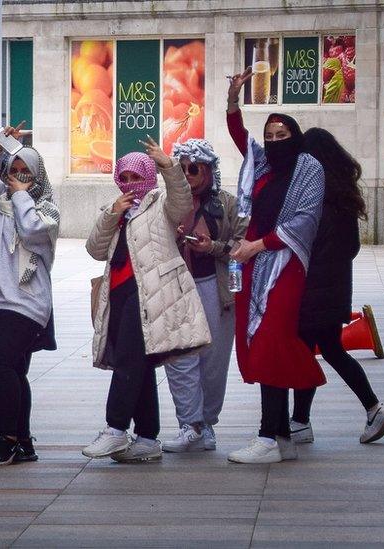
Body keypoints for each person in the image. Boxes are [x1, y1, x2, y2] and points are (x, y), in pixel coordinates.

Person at [82, 140, 212, 463]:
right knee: (138, 363)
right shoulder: (117, 210)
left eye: (133, 177)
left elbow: (182, 203)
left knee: (128, 358)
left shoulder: (159, 203)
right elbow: (94, 249)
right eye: (122, 178)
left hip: (151, 294)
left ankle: (115, 428)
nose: (128, 184)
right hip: (119, 294)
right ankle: (146, 437)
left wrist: (168, 166)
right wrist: (112, 215)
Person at [223, 68, 326, 464]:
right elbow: (238, 136)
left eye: (282, 136)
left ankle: (267, 436)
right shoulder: (263, 166)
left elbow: (303, 220)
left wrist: (258, 246)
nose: (274, 142)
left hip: (284, 264)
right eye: (269, 137)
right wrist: (234, 98)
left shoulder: (309, 169)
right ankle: (281, 435)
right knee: (264, 343)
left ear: (295, 137)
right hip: (254, 261)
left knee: (269, 341)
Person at [289, 128, 384, 445]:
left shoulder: (314, 198)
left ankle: (371, 408)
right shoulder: (343, 197)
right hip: (335, 290)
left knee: (315, 351)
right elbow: (352, 248)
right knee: (323, 350)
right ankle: (302, 421)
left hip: (312, 291)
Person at [0, 125, 59, 466]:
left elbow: (32, 230)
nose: (19, 176)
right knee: (13, 370)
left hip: (26, 303)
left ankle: (7, 438)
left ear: (37, 176)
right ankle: (23, 442)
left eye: (27, 171)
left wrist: (23, 195)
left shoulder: (47, 211)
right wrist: (0, 144)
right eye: (15, 170)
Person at [160, 139, 247, 453]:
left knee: (213, 360)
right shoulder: (165, 202)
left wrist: (212, 248)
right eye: (180, 169)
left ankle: (207, 423)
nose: (187, 175)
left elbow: (244, 246)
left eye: (193, 169)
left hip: (214, 286)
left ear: (209, 170)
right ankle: (189, 424)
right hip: (174, 288)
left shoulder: (227, 203)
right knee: (177, 357)